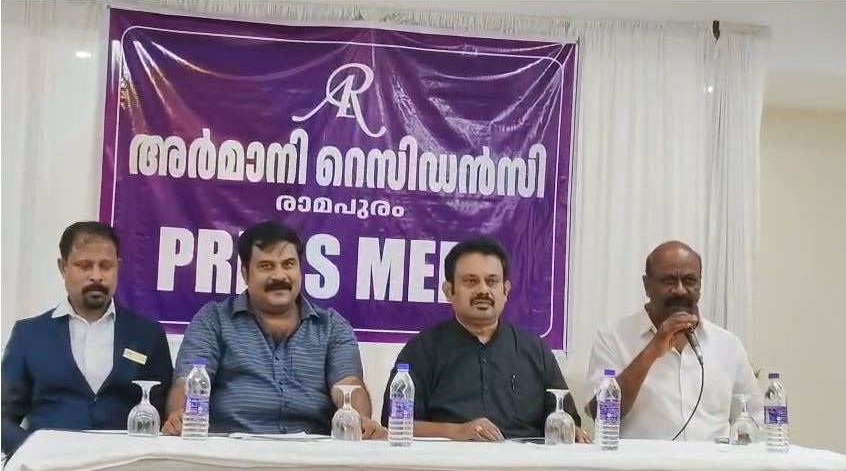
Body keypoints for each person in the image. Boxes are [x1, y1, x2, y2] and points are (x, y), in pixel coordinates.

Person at [163, 221, 385, 438]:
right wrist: (180, 415)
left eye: (288, 264)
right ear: (245, 273)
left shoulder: (331, 327)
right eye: (266, 266)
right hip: (231, 450)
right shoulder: (213, 320)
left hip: (312, 452)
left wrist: (359, 419)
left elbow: (348, 384)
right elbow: (188, 381)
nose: (279, 276)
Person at [381, 236, 589, 442]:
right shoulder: (422, 350)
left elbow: (567, 420)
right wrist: (455, 432)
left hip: (523, 458)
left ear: (505, 290)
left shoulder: (535, 350)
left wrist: (573, 432)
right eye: (470, 281)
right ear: (449, 291)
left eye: (492, 281)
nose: (483, 290)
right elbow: (395, 424)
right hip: (451, 458)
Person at [2, 221, 173, 455]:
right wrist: (34, 453)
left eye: (106, 266)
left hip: (125, 463)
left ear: (118, 267)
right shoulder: (29, 335)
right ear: (63, 268)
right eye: (84, 266)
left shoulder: (147, 335)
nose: (96, 276)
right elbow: (4, 417)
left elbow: (165, 414)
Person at [586, 240, 762, 440]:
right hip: (642, 458)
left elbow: (753, 420)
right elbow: (599, 412)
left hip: (712, 457)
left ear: (700, 285)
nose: (680, 290)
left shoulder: (728, 345)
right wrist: (652, 351)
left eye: (689, 281)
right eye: (669, 280)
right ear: (647, 285)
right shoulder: (612, 339)